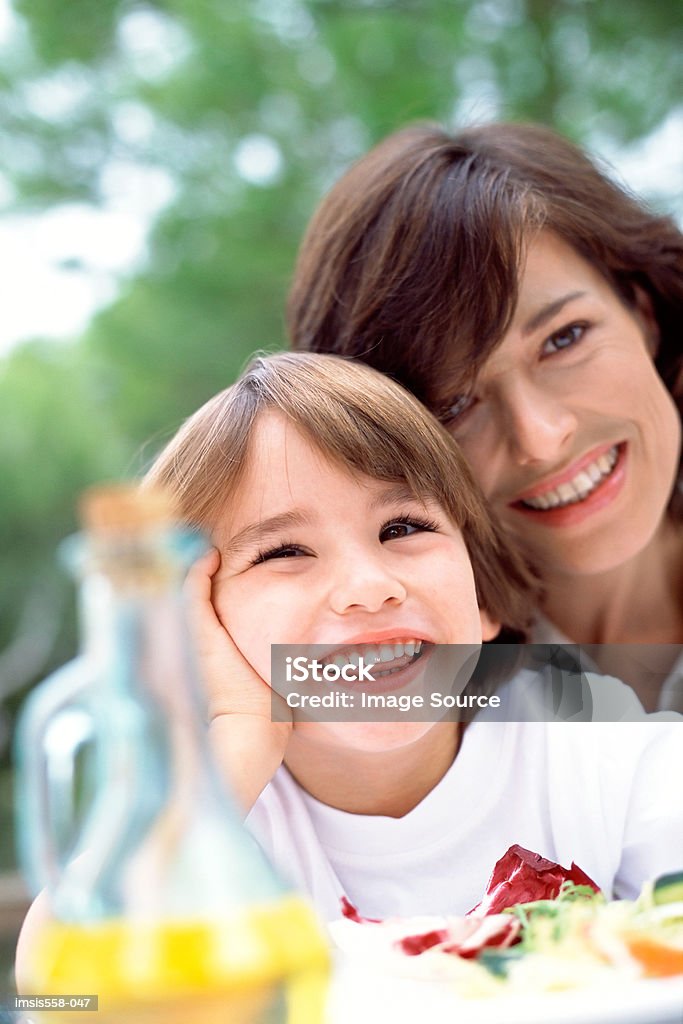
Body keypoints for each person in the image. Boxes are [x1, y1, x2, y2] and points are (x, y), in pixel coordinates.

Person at [143, 351, 682, 921]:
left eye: (403, 528)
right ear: (196, 619)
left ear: (483, 596)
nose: (369, 587)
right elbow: (64, 987)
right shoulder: (215, 810)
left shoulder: (597, 751)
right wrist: (240, 736)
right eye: (285, 552)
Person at [287, 122, 683, 713]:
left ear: (643, 312)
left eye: (564, 338)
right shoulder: (374, 693)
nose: (541, 440)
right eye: (453, 404)